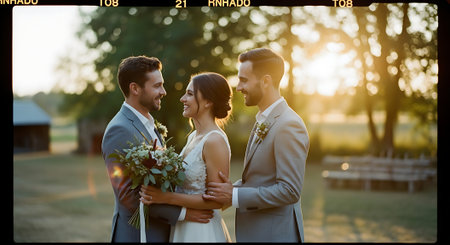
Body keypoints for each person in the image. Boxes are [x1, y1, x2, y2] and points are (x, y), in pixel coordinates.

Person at [102, 56, 214, 242]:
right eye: (157, 86)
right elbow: (129, 198)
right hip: (139, 235)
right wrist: (183, 213)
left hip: (161, 232)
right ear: (135, 88)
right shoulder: (119, 129)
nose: (163, 91)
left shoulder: (149, 124)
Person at [202, 48, 310, 242]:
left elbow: (289, 190)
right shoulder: (264, 119)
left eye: (244, 80)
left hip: (274, 236)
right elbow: (261, 179)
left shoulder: (288, 124)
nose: (238, 87)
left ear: (266, 81)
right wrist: (227, 190)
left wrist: (234, 196)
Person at [139, 72, 233, 242]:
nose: (182, 99)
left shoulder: (214, 140)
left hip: (201, 230)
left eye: (190, 94)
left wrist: (166, 198)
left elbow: (216, 201)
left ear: (208, 102)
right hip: (183, 226)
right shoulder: (193, 137)